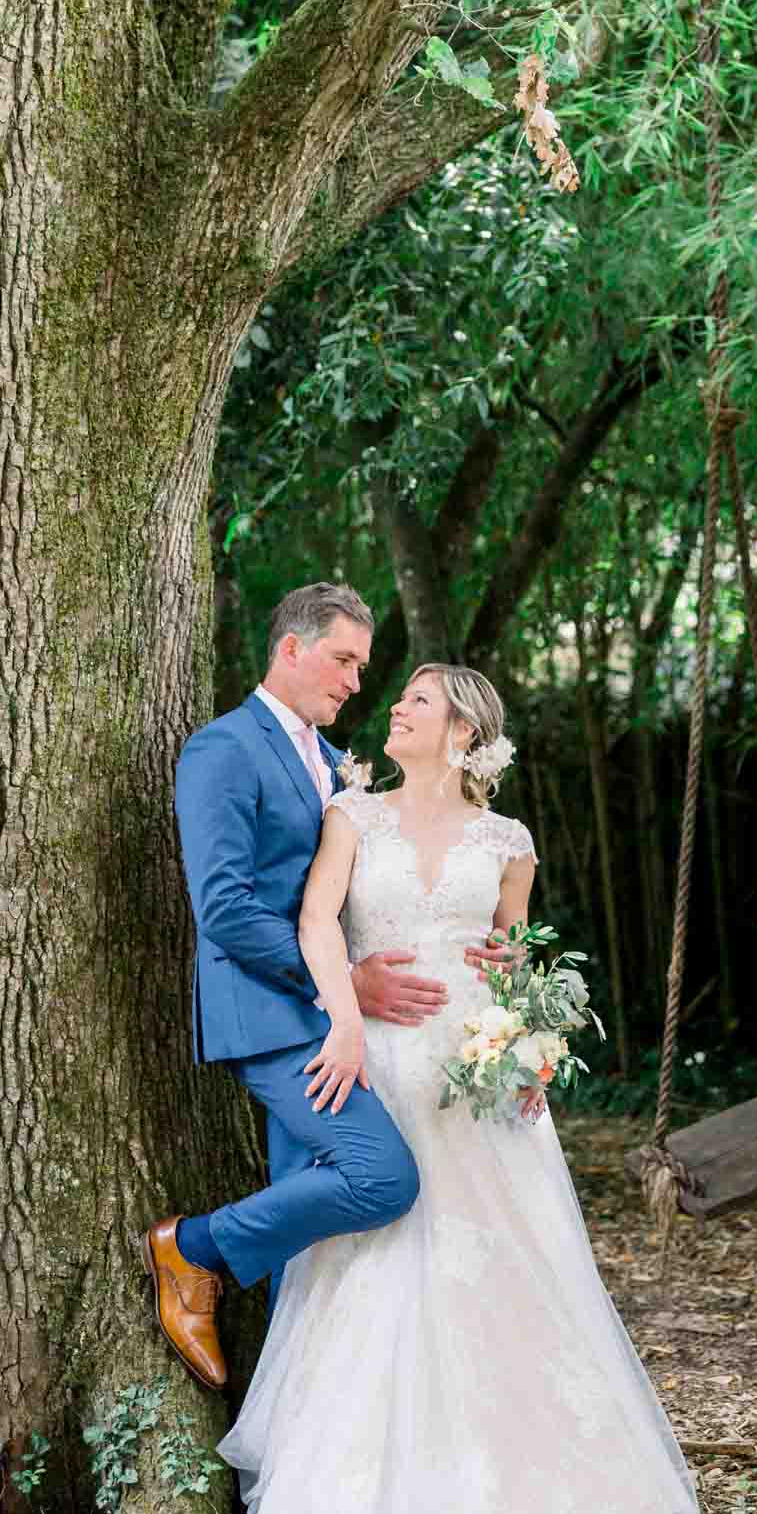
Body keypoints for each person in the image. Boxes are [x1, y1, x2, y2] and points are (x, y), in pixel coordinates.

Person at [219, 663, 703, 1514]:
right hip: (382, 1060)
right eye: (397, 697)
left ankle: (530, 1500)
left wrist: (532, 1046)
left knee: (505, 1259)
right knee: (380, 1245)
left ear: (464, 733)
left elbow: (514, 953)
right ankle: (362, 1499)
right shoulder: (351, 815)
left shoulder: (508, 839)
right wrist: (346, 1023)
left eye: (418, 702)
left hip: (477, 1068)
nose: (394, 708)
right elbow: (319, 922)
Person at [143, 584, 504, 1387]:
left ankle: (281, 1466)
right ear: (291, 650)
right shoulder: (223, 749)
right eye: (343, 660)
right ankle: (190, 1250)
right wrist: (344, 981)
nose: (354, 682)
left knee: (304, 1242)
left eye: (361, 666)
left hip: (333, 1016)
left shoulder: (336, 764)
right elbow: (226, 909)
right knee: (381, 1179)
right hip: (267, 1015)